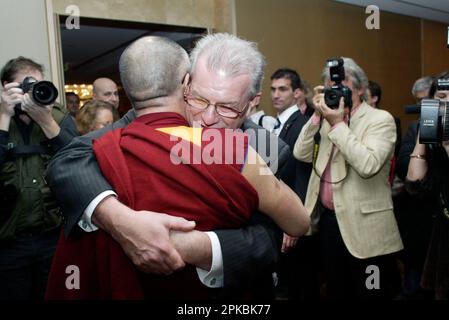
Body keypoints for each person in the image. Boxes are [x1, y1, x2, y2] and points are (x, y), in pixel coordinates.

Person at [46, 36, 309, 299]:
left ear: (252, 102)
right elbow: (66, 163)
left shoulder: (268, 150)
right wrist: (121, 221)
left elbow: (271, 240)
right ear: (186, 84)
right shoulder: (139, 124)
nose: (208, 119)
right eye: (199, 99)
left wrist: (199, 247)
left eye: (228, 108)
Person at [293, 57, 403, 299]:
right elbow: (300, 153)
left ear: (361, 88)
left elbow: (368, 164)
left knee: (371, 294)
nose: (337, 90)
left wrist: (337, 125)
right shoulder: (325, 119)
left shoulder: (380, 120)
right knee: (337, 291)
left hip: (367, 229)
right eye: (331, 86)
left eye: (343, 84)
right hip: (330, 223)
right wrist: (316, 117)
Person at [0, 56, 77, 299]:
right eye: (24, 86)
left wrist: (46, 120)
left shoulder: (58, 116)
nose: (31, 92)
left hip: (52, 236)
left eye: (36, 85)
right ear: (6, 88)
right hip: (9, 241)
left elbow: (76, 163)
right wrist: (3, 116)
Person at [269, 68, 317, 299]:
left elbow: (304, 176)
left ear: (297, 93)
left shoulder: (302, 124)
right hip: (279, 214)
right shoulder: (278, 124)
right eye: (273, 89)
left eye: (283, 89)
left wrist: (294, 220)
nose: (276, 94)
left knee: (300, 285)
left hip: (292, 216)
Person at [406, 72, 449, 300]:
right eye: (441, 97)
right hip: (443, 233)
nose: (447, 105)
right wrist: (425, 135)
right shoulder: (435, 139)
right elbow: (414, 183)